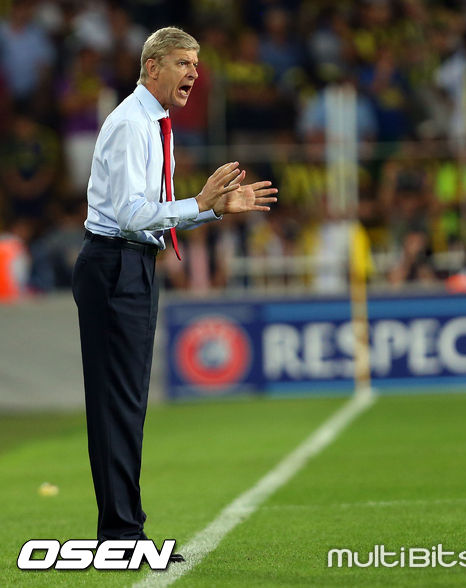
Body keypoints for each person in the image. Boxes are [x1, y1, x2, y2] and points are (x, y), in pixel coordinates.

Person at [71, 26, 277, 559]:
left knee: (126, 403)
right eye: (183, 63)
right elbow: (130, 214)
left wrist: (212, 209)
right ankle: (121, 535)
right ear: (152, 67)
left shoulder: (153, 123)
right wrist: (197, 202)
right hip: (114, 264)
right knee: (118, 405)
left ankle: (123, 528)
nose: (193, 74)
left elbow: (152, 215)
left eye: (196, 65)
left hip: (132, 264)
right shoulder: (130, 124)